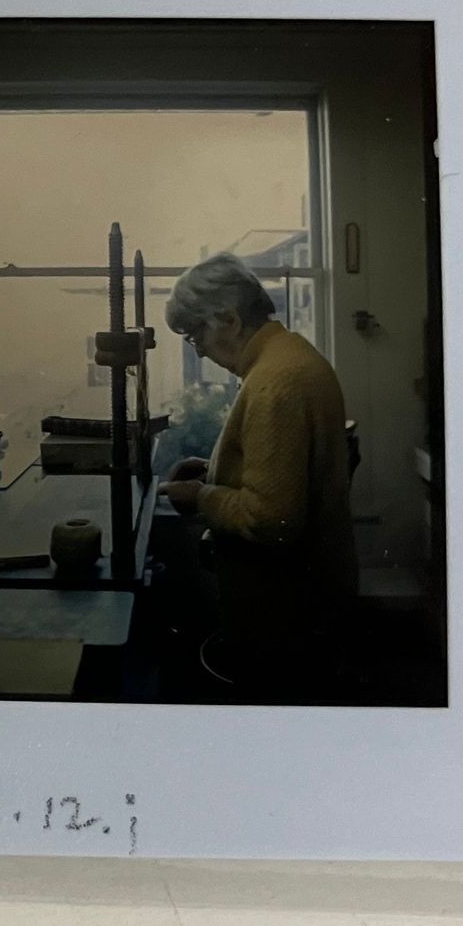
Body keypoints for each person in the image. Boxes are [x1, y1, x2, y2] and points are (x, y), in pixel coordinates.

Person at [153, 254, 358, 697]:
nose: (198, 350)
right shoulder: (292, 356)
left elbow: (271, 519)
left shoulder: (274, 383)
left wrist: (202, 496)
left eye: (195, 335)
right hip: (307, 594)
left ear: (228, 320)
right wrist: (214, 470)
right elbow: (286, 467)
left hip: (280, 610)